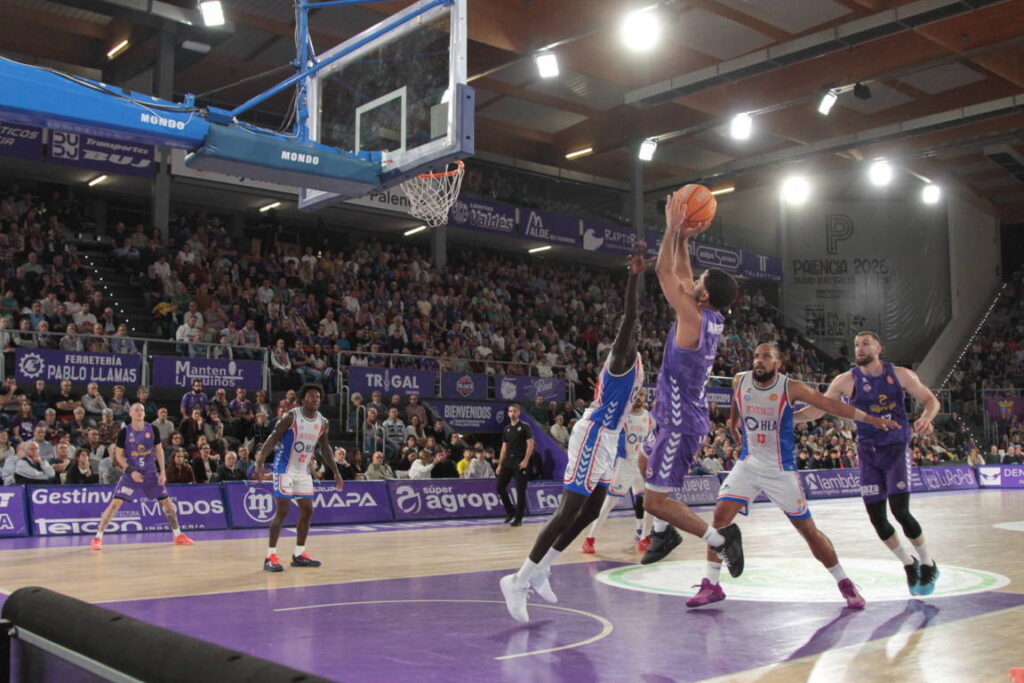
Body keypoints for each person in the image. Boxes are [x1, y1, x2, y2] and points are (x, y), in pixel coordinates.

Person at [688, 343, 900, 609]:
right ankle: (711, 584)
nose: (759, 361)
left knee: (808, 531)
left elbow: (829, 405)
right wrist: (732, 421)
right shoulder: (740, 381)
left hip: (781, 470)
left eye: (766, 357)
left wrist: (871, 419)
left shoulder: (791, 388)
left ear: (778, 364)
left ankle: (844, 581)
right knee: (720, 516)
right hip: (748, 464)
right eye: (756, 356)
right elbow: (737, 401)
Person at [499, 243, 645, 623]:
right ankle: (518, 579)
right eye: (630, 330)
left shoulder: (638, 360)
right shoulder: (620, 358)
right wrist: (634, 275)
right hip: (594, 433)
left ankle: (543, 568)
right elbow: (630, 317)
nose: (635, 331)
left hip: (609, 439)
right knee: (568, 511)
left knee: (592, 509)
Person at [639, 188, 744, 574]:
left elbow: (666, 273)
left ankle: (721, 539)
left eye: (698, 280)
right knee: (642, 459)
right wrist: (683, 237)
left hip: (681, 424)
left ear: (703, 294)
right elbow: (682, 274)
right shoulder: (709, 316)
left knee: (654, 501)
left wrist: (670, 229)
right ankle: (665, 533)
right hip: (673, 414)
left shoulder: (694, 318)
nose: (693, 280)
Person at [795, 331, 943, 596]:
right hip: (867, 452)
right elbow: (821, 407)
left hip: (896, 448)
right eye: (856, 345)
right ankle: (908, 564)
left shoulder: (900, 374)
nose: (859, 348)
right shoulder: (845, 380)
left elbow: (931, 400)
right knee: (877, 518)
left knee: (901, 511)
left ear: (878, 347)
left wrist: (926, 417)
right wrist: (791, 418)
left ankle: (927, 562)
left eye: (865, 344)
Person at [254, 384, 342, 572]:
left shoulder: (323, 422)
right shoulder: (291, 416)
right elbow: (272, 438)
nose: (315, 399)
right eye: (311, 396)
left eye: (318, 396)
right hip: (284, 469)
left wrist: (335, 471)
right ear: (303, 399)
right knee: (283, 511)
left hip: (303, 471)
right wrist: (260, 461)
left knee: (307, 510)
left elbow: (325, 448)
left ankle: (299, 554)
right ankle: (270, 556)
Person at [90, 403, 195, 549]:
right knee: (115, 504)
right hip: (131, 474)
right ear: (131, 414)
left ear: (144, 414)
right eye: (136, 410)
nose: (139, 412)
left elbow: (159, 451)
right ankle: (97, 538)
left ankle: (178, 535)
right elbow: (119, 456)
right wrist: (131, 471)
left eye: (142, 410)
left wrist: (163, 472)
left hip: (150, 473)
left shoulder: (152, 429)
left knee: (167, 504)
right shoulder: (124, 432)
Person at [581, 389, 655, 555]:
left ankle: (644, 537)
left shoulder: (650, 418)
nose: (639, 398)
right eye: (636, 395)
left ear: (645, 398)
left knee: (651, 503)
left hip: (643, 464)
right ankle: (590, 538)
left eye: (642, 395)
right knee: (608, 504)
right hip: (624, 464)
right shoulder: (621, 416)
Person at [496, 404, 534, 527]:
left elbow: (530, 444)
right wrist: (500, 464)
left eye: (515, 411)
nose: (512, 413)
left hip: (520, 461)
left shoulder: (524, 427)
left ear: (519, 413)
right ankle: (510, 511)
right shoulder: (506, 429)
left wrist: (526, 460)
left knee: (520, 490)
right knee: (500, 486)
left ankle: (519, 517)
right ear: (508, 413)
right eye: (510, 411)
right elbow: (504, 447)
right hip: (508, 461)